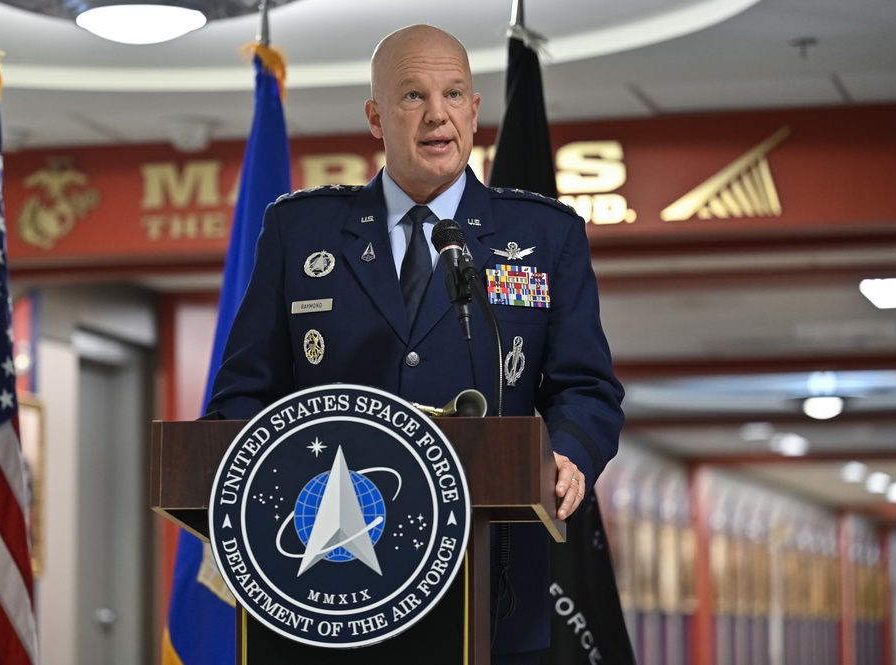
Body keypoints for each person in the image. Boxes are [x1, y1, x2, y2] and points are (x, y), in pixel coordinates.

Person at [206, 24, 624, 663]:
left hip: (490, 581)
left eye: (454, 94)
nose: (438, 115)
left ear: (475, 111)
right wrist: (249, 493)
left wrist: (570, 454)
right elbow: (245, 391)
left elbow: (585, 387)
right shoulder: (301, 230)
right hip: (327, 575)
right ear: (375, 117)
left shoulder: (543, 234)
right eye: (412, 96)